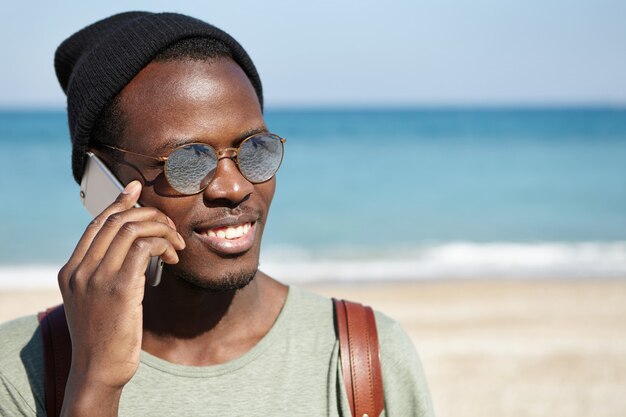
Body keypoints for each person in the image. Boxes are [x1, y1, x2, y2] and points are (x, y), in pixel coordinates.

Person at [0, 11, 434, 416]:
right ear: (102, 180)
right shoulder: (20, 373)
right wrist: (95, 387)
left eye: (255, 150)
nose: (236, 186)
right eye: (188, 160)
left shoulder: (361, 358)